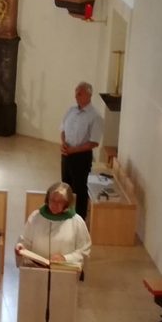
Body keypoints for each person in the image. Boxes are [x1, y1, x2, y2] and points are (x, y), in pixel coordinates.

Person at [15, 181, 91, 269]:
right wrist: (21, 247)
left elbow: (84, 251)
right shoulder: (36, 217)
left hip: (64, 271)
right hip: (37, 269)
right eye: (52, 200)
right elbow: (25, 241)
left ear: (67, 203)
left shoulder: (77, 221)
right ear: (47, 199)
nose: (55, 205)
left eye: (60, 202)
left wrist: (65, 258)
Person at [60, 81, 103, 222]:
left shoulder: (95, 116)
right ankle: (66, 212)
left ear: (89, 95)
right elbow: (63, 129)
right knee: (66, 184)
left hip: (81, 157)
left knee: (79, 187)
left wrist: (75, 149)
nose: (76, 95)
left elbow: (94, 142)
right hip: (67, 154)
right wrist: (63, 143)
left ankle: (79, 218)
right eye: (76, 92)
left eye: (79, 93)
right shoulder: (70, 110)